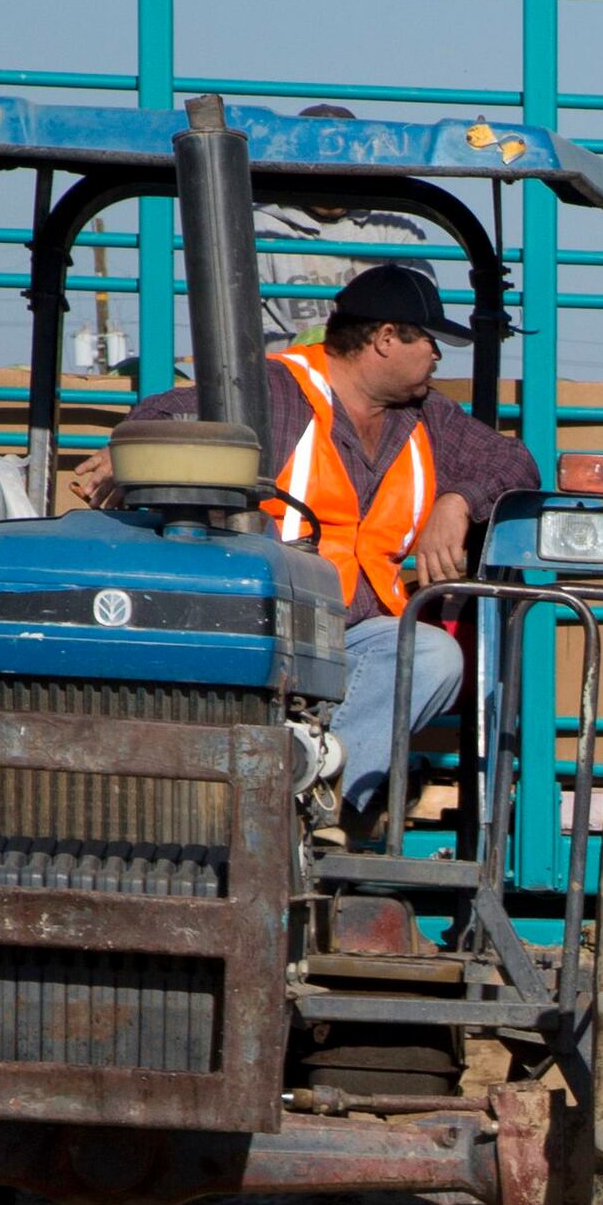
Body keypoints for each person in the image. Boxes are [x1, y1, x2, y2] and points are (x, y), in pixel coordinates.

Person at [122, 261, 536, 826]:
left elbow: (513, 462)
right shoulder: (272, 391)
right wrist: (134, 450)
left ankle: (304, 809)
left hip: (356, 634)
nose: (438, 357)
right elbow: (162, 415)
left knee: (433, 655)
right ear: (385, 339)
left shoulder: (427, 417)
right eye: (430, 341)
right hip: (266, 625)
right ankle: (288, 806)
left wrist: (458, 500)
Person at [250, 107, 428, 342]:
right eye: (318, 168)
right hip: (289, 361)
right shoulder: (260, 228)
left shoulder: (395, 225)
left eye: (342, 167)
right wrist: (303, 348)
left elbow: (417, 314)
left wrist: (364, 352)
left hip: (376, 357)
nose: (330, 178)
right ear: (293, 167)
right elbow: (244, 322)